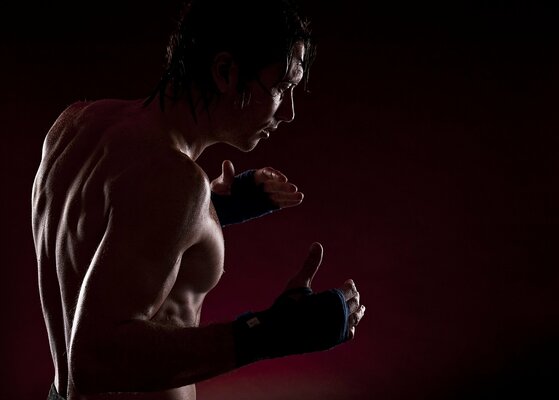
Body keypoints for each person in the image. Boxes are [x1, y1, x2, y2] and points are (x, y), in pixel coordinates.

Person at [32, 0, 366, 399]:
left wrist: (214, 209)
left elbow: (104, 231)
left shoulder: (75, 124)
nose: (289, 112)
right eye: (281, 87)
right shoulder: (174, 183)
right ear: (226, 71)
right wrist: (272, 332)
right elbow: (93, 362)